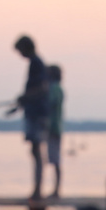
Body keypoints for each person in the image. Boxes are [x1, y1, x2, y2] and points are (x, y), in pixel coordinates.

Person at [6, 35, 49, 199]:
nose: (19, 54)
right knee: (35, 151)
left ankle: (38, 190)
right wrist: (20, 104)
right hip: (34, 112)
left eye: (19, 50)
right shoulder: (35, 63)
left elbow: (42, 88)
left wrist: (25, 97)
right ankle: (37, 189)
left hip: (37, 114)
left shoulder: (36, 63)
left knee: (37, 151)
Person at [45, 64, 64, 198]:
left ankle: (57, 190)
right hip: (54, 128)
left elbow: (50, 104)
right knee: (54, 159)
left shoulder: (54, 89)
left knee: (55, 159)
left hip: (53, 128)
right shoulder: (57, 89)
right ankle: (56, 189)